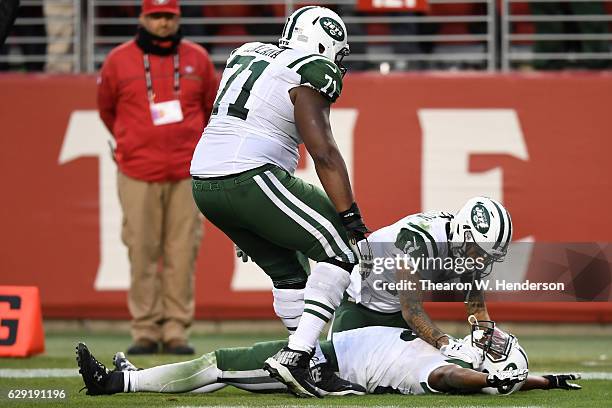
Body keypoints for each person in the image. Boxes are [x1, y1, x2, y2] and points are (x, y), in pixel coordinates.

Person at [189, 6, 369, 397]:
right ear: (325, 41)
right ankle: (300, 355)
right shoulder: (312, 69)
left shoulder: (247, 51)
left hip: (205, 182)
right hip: (249, 174)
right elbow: (323, 152)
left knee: (290, 273)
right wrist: (350, 215)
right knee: (341, 247)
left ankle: (313, 371)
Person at [97, 0, 218, 355]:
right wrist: (132, 143)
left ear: (178, 17)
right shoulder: (119, 60)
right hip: (138, 171)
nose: (163, 24)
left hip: (185, 171)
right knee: (141, 249)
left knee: (183, 251)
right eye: (156, 16)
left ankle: (177, 329)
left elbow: (211, 107)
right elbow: (107, 108)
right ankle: (145, 329)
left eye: (168, 16)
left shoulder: (198, 58)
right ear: (142, 18)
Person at [75, 320, 582, 397]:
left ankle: (116, 386)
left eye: (493, 350)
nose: (488, 338)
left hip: (325, 367)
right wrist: (543, 380)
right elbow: (498, 379)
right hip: (327, 351)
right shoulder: (450, 352)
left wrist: (487, 375)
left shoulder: (443, 369)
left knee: (218, 362)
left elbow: (456, 378)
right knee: (227, 370)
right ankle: (134, 376)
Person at [330, 196, 513, 369]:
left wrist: (489, 345)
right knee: (339, 370)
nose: (480, 261)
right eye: (478, 251)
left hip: (397, 313)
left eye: (487, 257)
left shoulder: (467, 248)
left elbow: (477, 310)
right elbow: (412, 311)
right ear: (462, 232)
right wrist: (446, 343)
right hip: (360, 305)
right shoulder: (420, 241)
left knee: (447, 369)